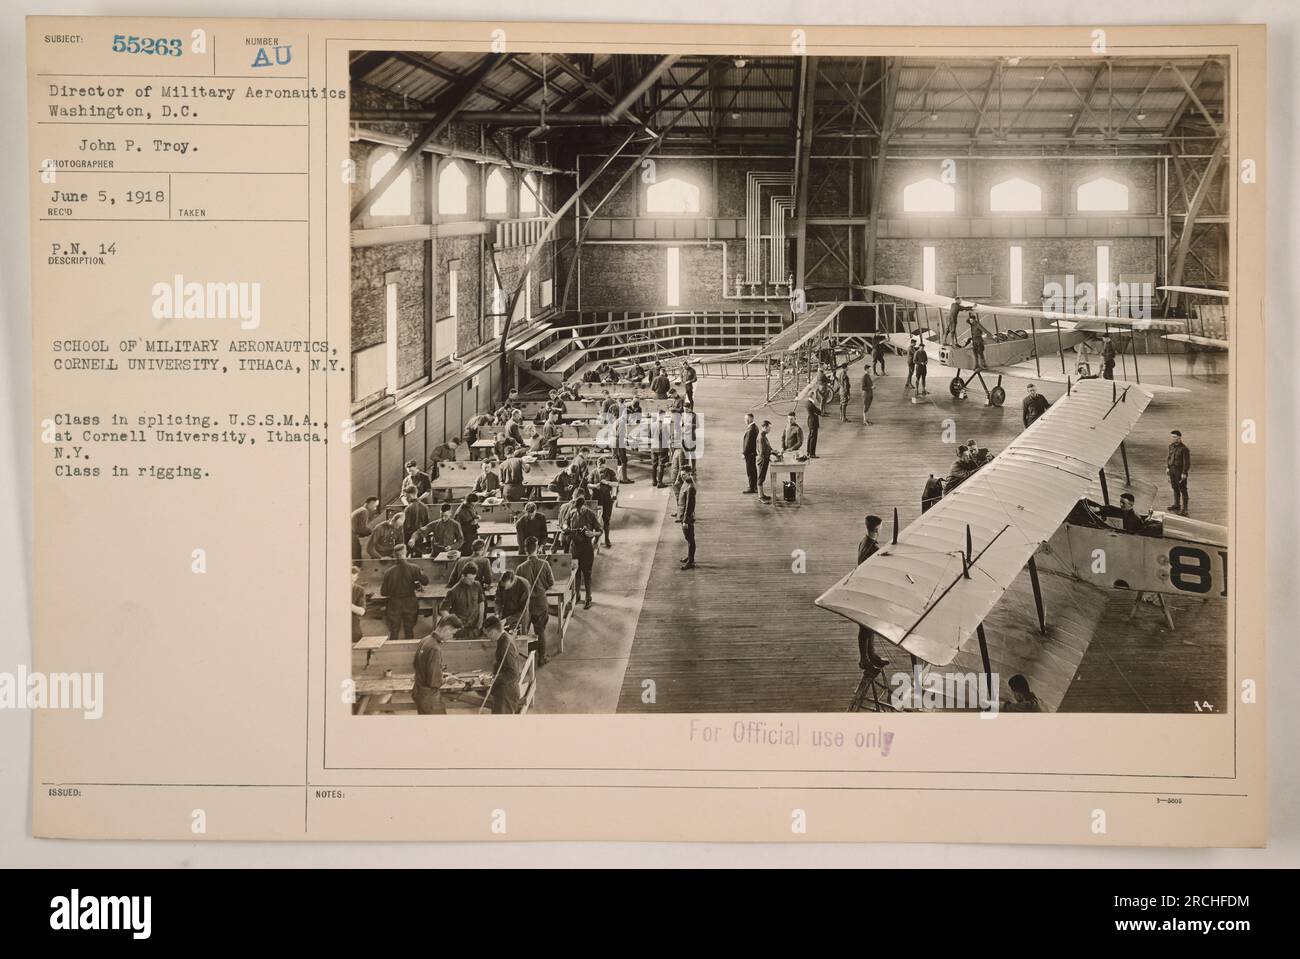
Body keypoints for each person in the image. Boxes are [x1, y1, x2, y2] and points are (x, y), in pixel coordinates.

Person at [515, 537, 554, 666]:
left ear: (525, 549)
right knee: (540, 630)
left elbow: (518, 588)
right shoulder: (545, 564)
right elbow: (551, 583)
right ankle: (541, 658)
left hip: (526, 604)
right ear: (537, 548)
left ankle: (523, 662)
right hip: (541, 602)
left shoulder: (520, 568)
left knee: (524, 631)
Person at [855, 515, 887, 670]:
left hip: (862, 587)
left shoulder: (864, 541)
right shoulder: (873, 548)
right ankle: (864, 660)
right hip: (868, 591)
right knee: (865, 627)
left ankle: (871, 655)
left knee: (868, 626)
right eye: (881, 526)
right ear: (876, 529)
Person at [412, 614, 460, 715]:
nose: (451, 637)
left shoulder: (425, 640)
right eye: (452, 633)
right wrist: (446, 680)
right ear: (446, 629)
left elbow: (416, 664)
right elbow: (434, 681)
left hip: (419, 691)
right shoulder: (435, 648)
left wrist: (441, 673)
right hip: (429, 697)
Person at [381, 545, 428, 642]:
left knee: (394, 631)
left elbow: (383, 592)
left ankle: (392, 654)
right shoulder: (414, 568)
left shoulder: (388, 572)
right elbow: (426, 581)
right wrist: (416, 583)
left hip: (394, 604)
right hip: (410, 602)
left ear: (395, 555)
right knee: (409, 630)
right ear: (405, 553)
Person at [564, 495, 600, 608]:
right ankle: (577, 595)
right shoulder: (572, 512)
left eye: (580, 508)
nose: (578, 510)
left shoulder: (590, 514)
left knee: (587, 573)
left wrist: (593, 534)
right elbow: (565, 522)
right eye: (577, 508)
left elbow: (600, 530)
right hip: (574, 547)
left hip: (586, 548)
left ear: (584, 505)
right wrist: (565, 527)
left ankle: (588, 597)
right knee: (576, 573)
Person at [483, 615, 523, 715]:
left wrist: (493, 680)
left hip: (506, 693)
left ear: (493, 631)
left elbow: (513, 673)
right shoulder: (504, 639)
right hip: (503, 689)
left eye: (487, 634)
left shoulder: (506, 645)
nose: (487, 637)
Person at [445, 565, 486, 635]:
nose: (472, 581)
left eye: (474, 578)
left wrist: (481, 620)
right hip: (460, 627)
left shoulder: (477, 585)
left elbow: (481, 602)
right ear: (463, 576)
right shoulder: (453, 591)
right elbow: (443, 610)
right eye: (470, 579)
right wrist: (453, 623)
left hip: (475, 625)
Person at [592, 462, 616, 548]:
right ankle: (596, 538)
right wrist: (595, 486)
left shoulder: (610, 472)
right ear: (597, 465)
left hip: (606, 498)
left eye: (602, 467)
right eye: (599, 467)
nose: (601, 469)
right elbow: (588, 484)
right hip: (596, 499)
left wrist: (607, 482)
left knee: (606, 520)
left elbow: (616, 484)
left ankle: (607, 539)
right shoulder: (593, 472)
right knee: (595, 520)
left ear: (605, 465)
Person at [1167, 430, 1191, 515]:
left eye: (1174, 437)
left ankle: (1185, 509)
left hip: (1180, 471)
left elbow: (1186, 462)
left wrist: (1184, 473)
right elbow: (1169, 457)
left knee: (1183, 489)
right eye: (1172, 437)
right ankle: (1177, 504)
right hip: (1172, 470)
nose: (1173, 439)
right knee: (1175, 487)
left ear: (1179, 437)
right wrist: (1167, 467)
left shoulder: (1184, 449)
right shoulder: (1171, 446)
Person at [677, 470, 697, 570]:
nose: (682, 476)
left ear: (689, 474)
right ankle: (690, 557)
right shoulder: (685, 484)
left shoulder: (690, 488)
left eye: (684, 474)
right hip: (682, 516)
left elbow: (689, 506)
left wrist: (685, 520)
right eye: (681, 475)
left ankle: (691, 561)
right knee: (688, 538)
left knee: (690, 539)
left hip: (686, 518)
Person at [351, 496, 379, 561]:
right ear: (370, 504)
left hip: (351, 535)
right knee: (356, 557)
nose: (375, 508)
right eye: (375, 506)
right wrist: (372, 532)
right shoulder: (364, 512)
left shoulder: (361, 510)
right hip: (351, 536)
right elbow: (361, 529)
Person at [650, 410, 672, 489]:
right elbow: (668, 436)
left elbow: (651, 435)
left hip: (654, 447)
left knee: (654, 465)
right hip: (662, 447)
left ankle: (654, 481)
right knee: (661, 465)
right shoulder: (665, 425)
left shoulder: (652, 424)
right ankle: (660, 482)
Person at [741, 412, 759, 494]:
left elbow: (748, 442)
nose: (745, 420)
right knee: (753, 470)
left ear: (751, 419)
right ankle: (754, 486)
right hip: (752, 453)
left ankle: (751, 487)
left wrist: (744, 453)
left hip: (749, 453)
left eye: (747, 419)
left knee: (750, 470)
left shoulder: (751, 429)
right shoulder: (754, 427)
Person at [757, 420, 775, 504]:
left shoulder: (764, 435)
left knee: (762, 477)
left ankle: (762, 495)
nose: (770, 429)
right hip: (763, 460)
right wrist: (771, 454)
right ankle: (760, 497)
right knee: (761, 478)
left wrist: (773, 451)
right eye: (769, 428)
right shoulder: (761, 437)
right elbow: (762, 452)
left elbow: (768, 447)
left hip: (765, 459)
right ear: (765, 427)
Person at [351, 566, 367, 644]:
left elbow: (362, 611)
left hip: (353, 629)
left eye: (353, 578)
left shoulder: (360, 590)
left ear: (356, 578)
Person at [804, 390, 822, 458]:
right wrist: (818, 409)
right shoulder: (811, 404)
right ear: (812, 396)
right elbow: (819, 412)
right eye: (814, 395)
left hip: (810, 421)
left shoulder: (807, 403)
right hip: (813, 422)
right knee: (813, 438)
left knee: (810, 437)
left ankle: (808, 451)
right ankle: (812, 453)